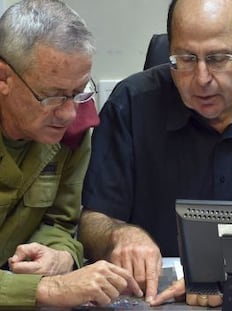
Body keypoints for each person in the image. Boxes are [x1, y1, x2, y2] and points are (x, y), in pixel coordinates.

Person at [79, 0, 232, 307]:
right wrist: (119, 234)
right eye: (186, 59)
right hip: (158, 297)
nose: (202, 78)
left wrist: (231, 270)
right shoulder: (132, 104)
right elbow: (92, 221)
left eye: (218, 59)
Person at [0, 0, 140, 307]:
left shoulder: (71, 130)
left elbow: (60, 222)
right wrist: (47, 289)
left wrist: (58, 256)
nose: (67, 114)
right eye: (52, 96)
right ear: (4, 79)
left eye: (78, 92)